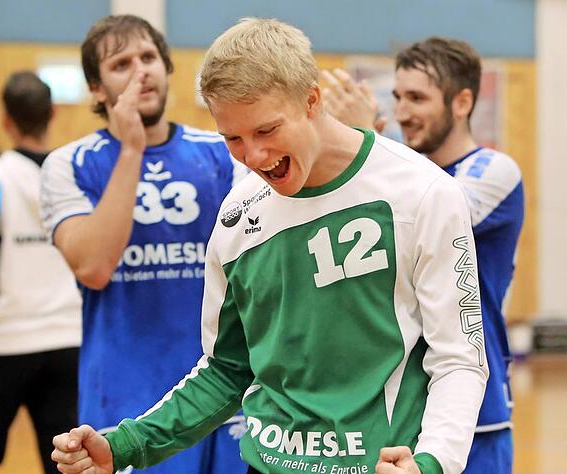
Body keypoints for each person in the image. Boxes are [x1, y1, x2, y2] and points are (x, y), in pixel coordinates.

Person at [52, 18, 489, 474]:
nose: (254, 157)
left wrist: (431, 462)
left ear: (312, 100)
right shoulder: (238, 214)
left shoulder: (422, 193)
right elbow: (226, 370)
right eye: (233, 139)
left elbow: (460, 358)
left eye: (266, 131)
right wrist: (125, 445)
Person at [39, 14, 248, 474]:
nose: (141, 71)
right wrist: (131, 150)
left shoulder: (223, 153)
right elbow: (93, 267)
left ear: (167, 67)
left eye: (149, 57)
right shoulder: (68, 164)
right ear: (97, 89)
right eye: (121, 64)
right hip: (124, 395)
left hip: (223, 391)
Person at [322, 38, 523, 474]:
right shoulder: (399, 171)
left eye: (417, 98)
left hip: (475, 414)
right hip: (398, 410)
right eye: (396, 97)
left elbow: (422, 210)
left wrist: (362, 145)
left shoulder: (491, 171)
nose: (402, 112)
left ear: (463, 101)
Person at [0, 71, 82, 473]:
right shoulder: (75, 174)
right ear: (53, 113)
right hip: (68, 340)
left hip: (4, 343)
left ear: (6, 119)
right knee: (67, 463)